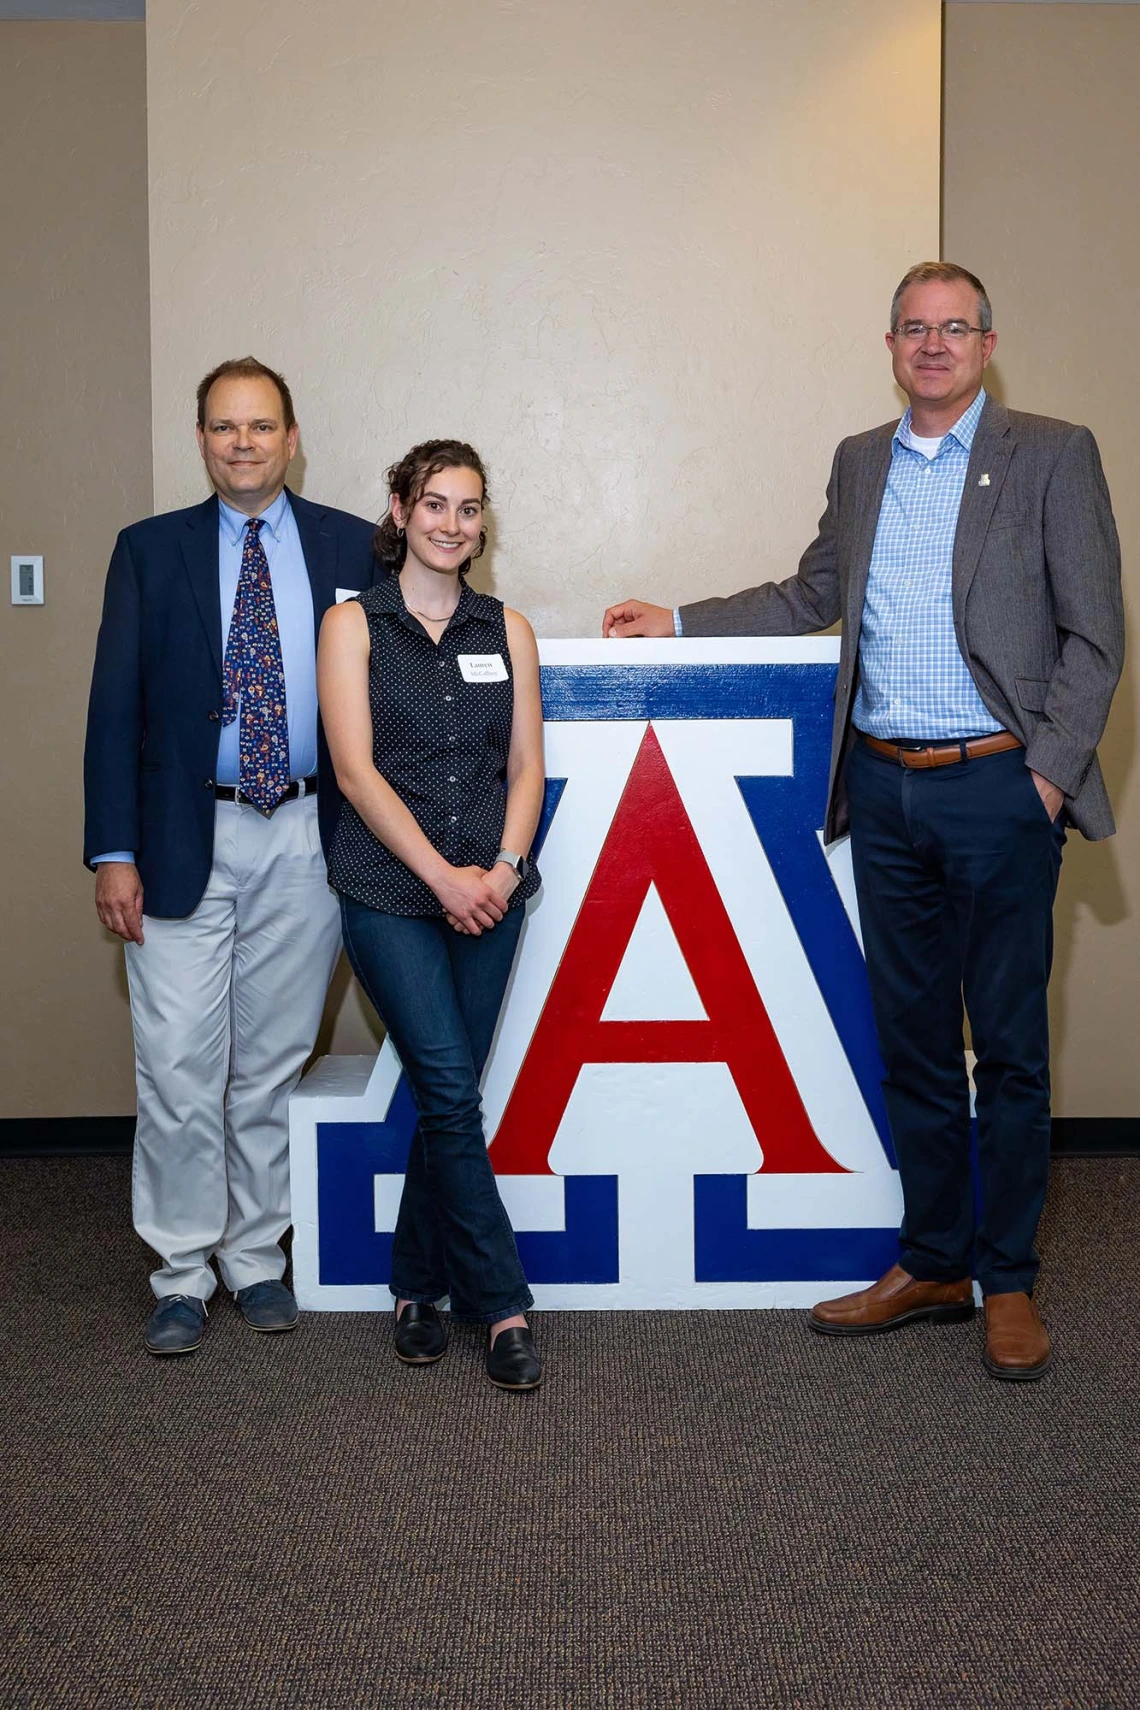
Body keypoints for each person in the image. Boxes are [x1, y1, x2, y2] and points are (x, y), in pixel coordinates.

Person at [602, 261, 1124, 1381]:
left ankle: (1009, 1279)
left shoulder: (1052, 451)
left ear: (988, 343)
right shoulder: (862, 462)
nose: (932, 346)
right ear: (890, 345)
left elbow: (1097, 636)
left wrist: (1044, 778)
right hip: (882, 793)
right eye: (913, 329)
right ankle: (933, 1261)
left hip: (999, 787)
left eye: (954, 329)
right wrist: (679, 620)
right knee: (918, 1045)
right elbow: (809, 597)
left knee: (1012, 1052)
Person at [84, 356, 378, 1354]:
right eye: (222, 427)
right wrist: (111, 851)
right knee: (175, 1065)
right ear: (202, 440)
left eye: (260, 426)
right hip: (177, 835)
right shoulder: (148, 552)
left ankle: (255, 1259)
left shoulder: (354, 546)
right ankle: (179, 1268)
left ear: (292, 439)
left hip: (305, 833)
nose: (242, 443)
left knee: (268, 1064)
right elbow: (113, 710)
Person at [318, 439, 545, 1391]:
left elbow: (526, 768)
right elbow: (355, 772)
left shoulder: (509, 628)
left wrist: (498, 867)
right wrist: (441, 879)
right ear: (402, 509)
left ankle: (414, 1287)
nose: (453, 524)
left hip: (492, 893)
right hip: (388, 891)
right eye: (436, 504)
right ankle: (500, 1303)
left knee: (443, 1096)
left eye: (470, 508)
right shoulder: (355, 626)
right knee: (451, 1090)